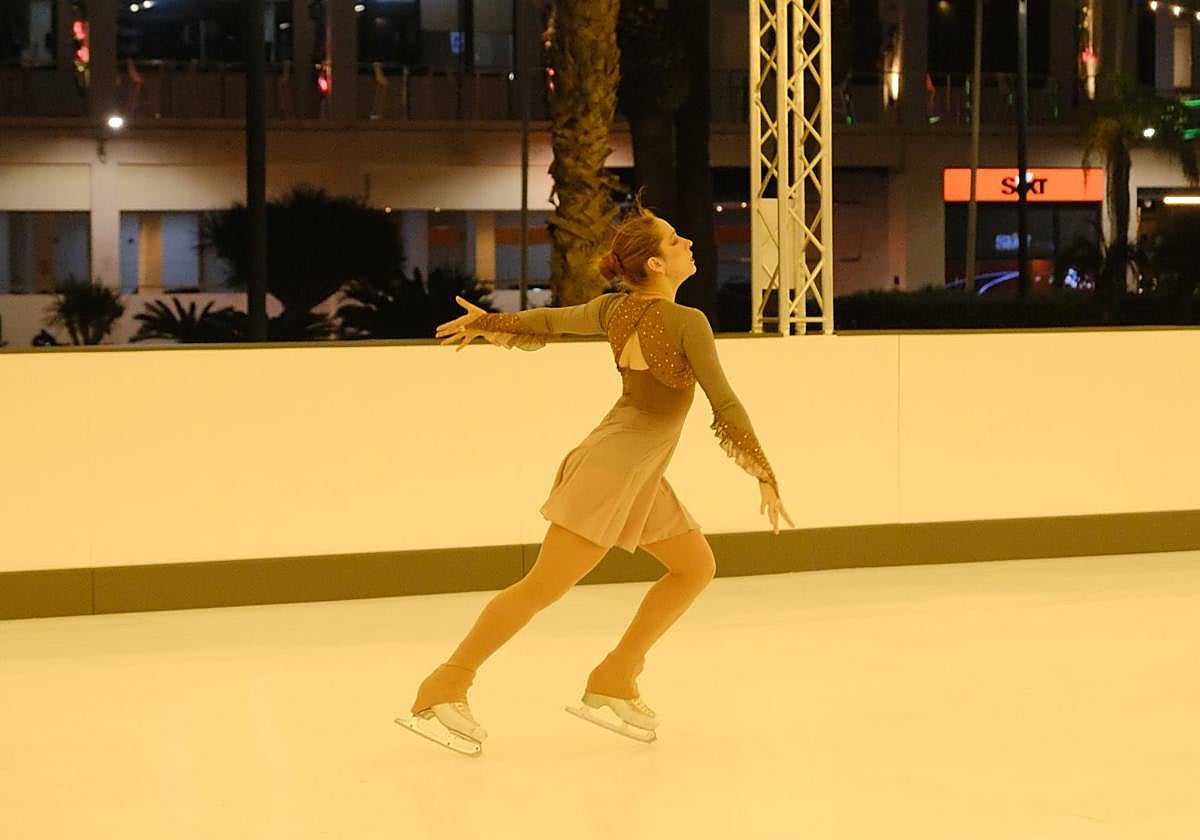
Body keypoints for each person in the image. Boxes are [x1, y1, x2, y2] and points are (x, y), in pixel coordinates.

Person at [400, 198, 794, 754]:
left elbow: (549, 320)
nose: (688, 244)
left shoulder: (616, 311)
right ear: (655, 264)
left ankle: (615, 676)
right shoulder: (686, 322)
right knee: (543, 586)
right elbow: (723, 401)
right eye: (676, 239)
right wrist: (763, 472)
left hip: (634, 467)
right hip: (615, 468)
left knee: (694, 566)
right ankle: (445, 684)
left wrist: (489, 321)